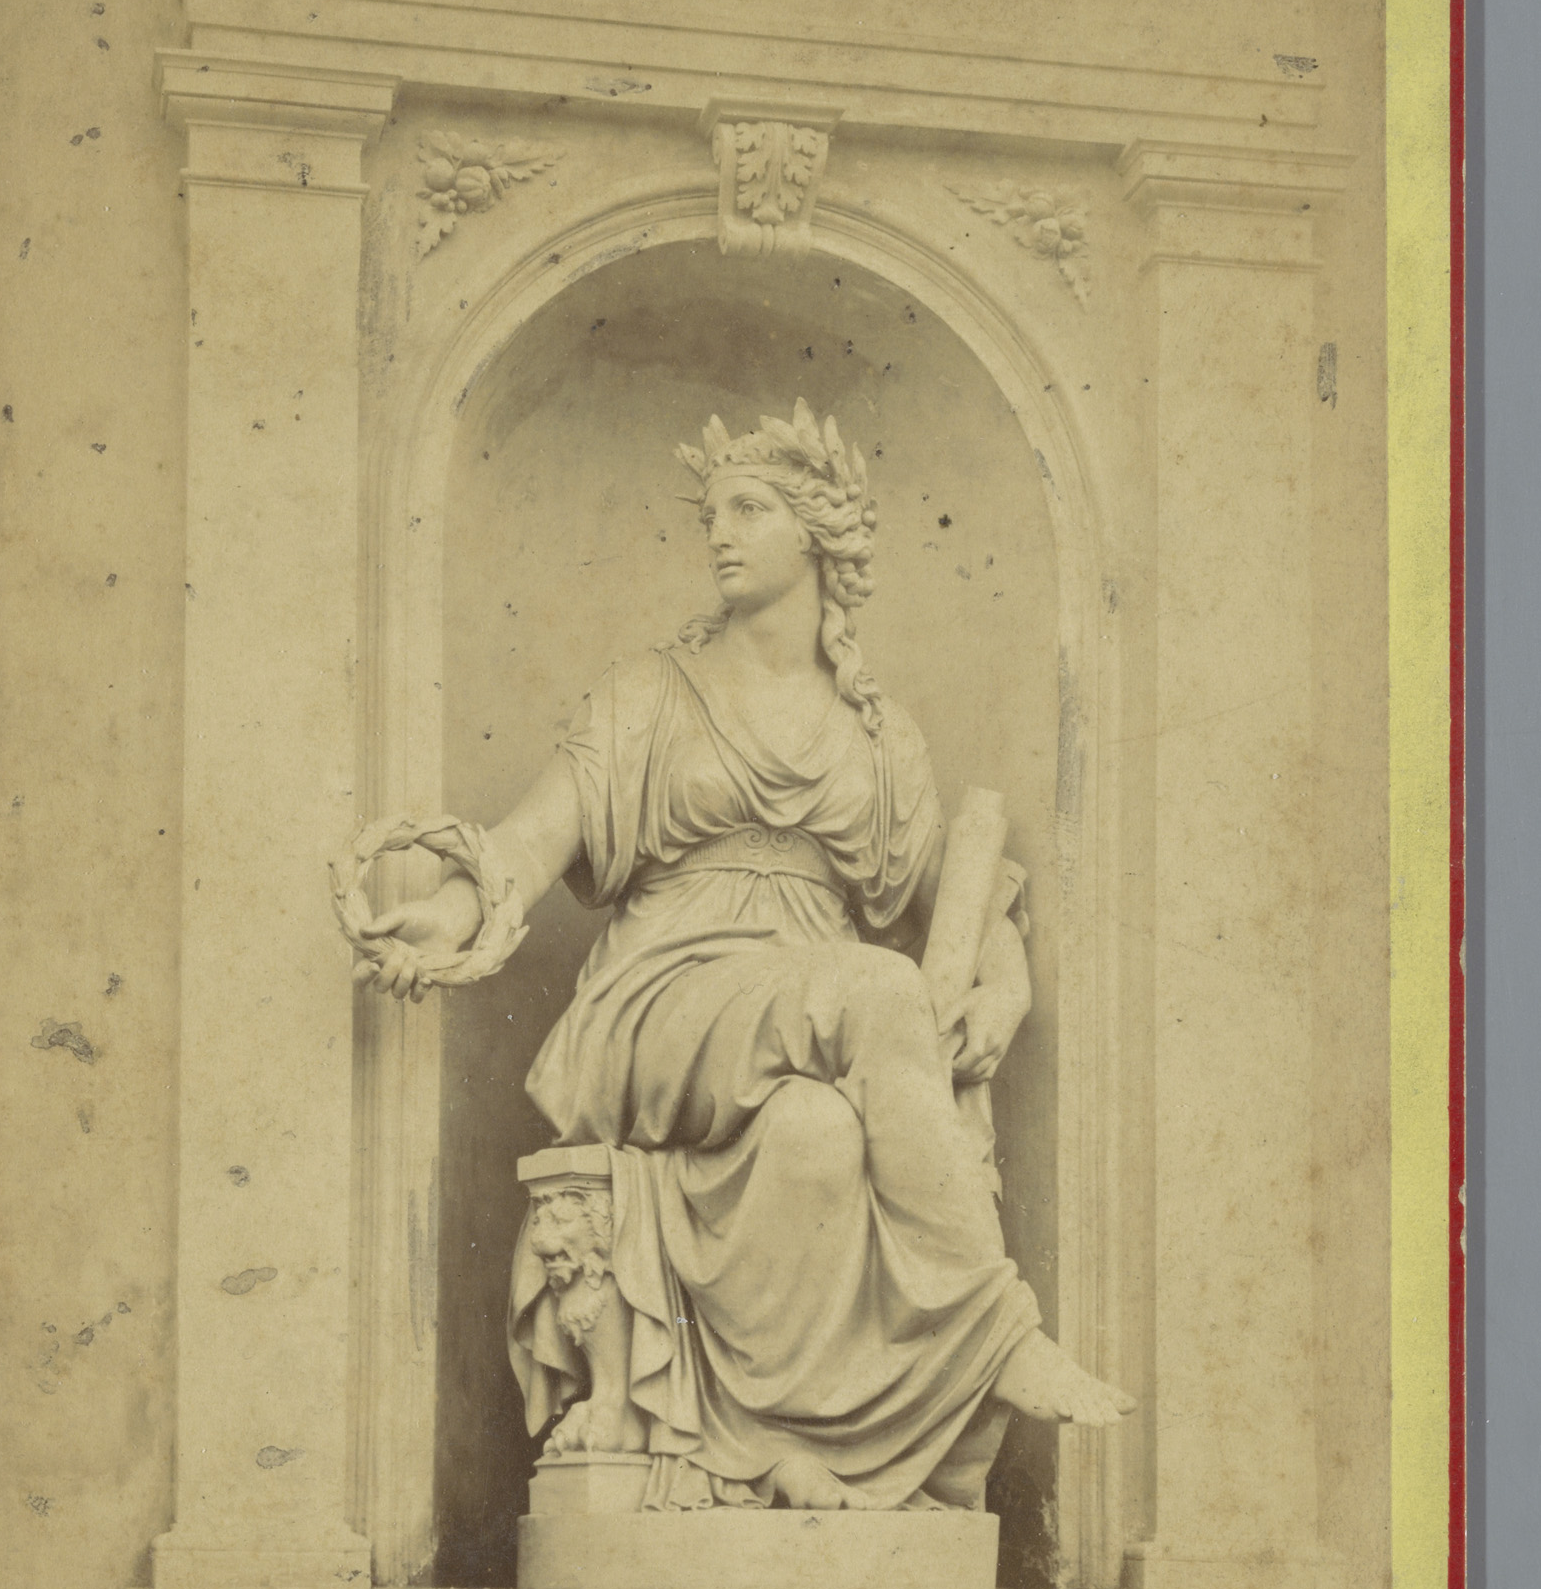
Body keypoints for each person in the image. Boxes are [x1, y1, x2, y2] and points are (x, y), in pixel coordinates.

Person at [366, 400, 1132, 1512]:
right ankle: (997, 1328)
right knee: (879, 986)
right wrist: (448, 913)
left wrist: (1005, 989)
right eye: (712, 514)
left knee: (816, 1132)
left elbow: (963, 894)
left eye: (748, 510)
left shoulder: (880, 734)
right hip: (664, 1000)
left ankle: (775, 1443)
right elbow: (532, 841)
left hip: (813, 1027)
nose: (719, 534)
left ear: (817, 534)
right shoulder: (648, 694)